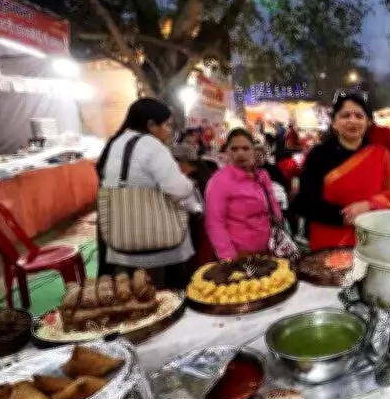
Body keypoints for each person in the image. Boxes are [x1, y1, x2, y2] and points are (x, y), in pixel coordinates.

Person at [95, 98, 203, 289]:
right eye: (167, 125)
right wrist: (189, 183)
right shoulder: (151, 146)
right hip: (158, 249)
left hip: (122, 245)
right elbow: (177, 189)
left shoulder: (115, 143)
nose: (169, 131)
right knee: (166, 300)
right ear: (151, 124)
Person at [294, 92, 390, 250]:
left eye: (359, 116)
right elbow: (305, 202)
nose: (352, 121)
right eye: (345, 115)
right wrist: (345, 216)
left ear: (368, 123)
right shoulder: (318, 156)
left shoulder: (381, 155)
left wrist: (370, 205)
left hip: (372, 241)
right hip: (329, 242)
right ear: (334, 123)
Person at [204, 128, 282, 260]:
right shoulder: (219, 181)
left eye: (246, 148)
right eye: (234, 149)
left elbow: (274, 209)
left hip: (268, 249)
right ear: (227, 151)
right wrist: (229, 257)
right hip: (239, 254)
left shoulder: (262, 175)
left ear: (253, 150)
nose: (240, 153)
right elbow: (215, 223)